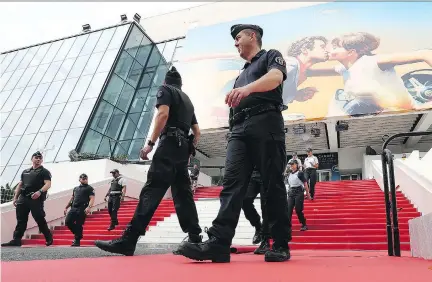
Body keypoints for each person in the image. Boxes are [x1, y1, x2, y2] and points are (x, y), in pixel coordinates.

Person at [177, 24, 291, 263]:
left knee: (272, 184)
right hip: (239, 130)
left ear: (252, 36)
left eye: (238, 37)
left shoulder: (270, 56)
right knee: (231, 185)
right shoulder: (241, 72)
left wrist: (247, 89)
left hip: (266, 121)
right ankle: (219, 242)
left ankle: (279, 243)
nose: (235, 42)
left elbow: (275, 77)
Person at [94, 66, 203, 256]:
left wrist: (150, 144)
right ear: (181, 84)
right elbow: (197, 132)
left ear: (165, 82)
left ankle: (129, 240)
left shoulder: (166, 91)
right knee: (183, 195)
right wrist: (187, 148)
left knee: (151, 191)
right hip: (182, 149)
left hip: (169, 144)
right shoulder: (188, 101)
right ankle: (195, 238)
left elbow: (163, 115)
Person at [1, 151, 53, 247]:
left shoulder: (44, 172)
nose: (38, 159)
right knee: (21, 220)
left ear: (42, 160)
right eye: (36, 157)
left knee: (39, 218)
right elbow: (20, 185)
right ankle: (16, 240)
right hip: (23, 198)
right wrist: (15, 197)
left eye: (40, 158)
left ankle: (48, 237)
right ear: (32, 159)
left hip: (35, 198)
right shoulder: (25, 172)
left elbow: (48, 184)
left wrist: (39, 192)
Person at [242, 167, 270, 255]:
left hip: (267, 173)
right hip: (253, 173)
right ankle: (258, 226)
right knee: (244, 200)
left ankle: (265, 240)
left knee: (265, 207)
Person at [63, 173, 95, 247]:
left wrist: (89, 207)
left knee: (79, 224)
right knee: (68, 222)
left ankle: (77, 240)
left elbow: (92, 198)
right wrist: (66, 207)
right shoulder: (76, 188)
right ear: (79, 179)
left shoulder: (90, 188)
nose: (84, 179)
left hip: (82, 208)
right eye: (83, 178)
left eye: (85, 178)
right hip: (73, 208)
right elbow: (72, 198)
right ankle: (79, 234)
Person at [286, 160, 310, 231]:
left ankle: (304, 224)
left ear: (296, 165)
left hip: (299, 192)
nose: (292, 166)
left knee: (298, 209)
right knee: (288, 210)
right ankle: (288, 227)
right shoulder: (289, 174)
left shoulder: (300, 173)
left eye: (293, 164)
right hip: (291, 193)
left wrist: (308, 194)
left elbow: (305, 183)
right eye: (291, 165)